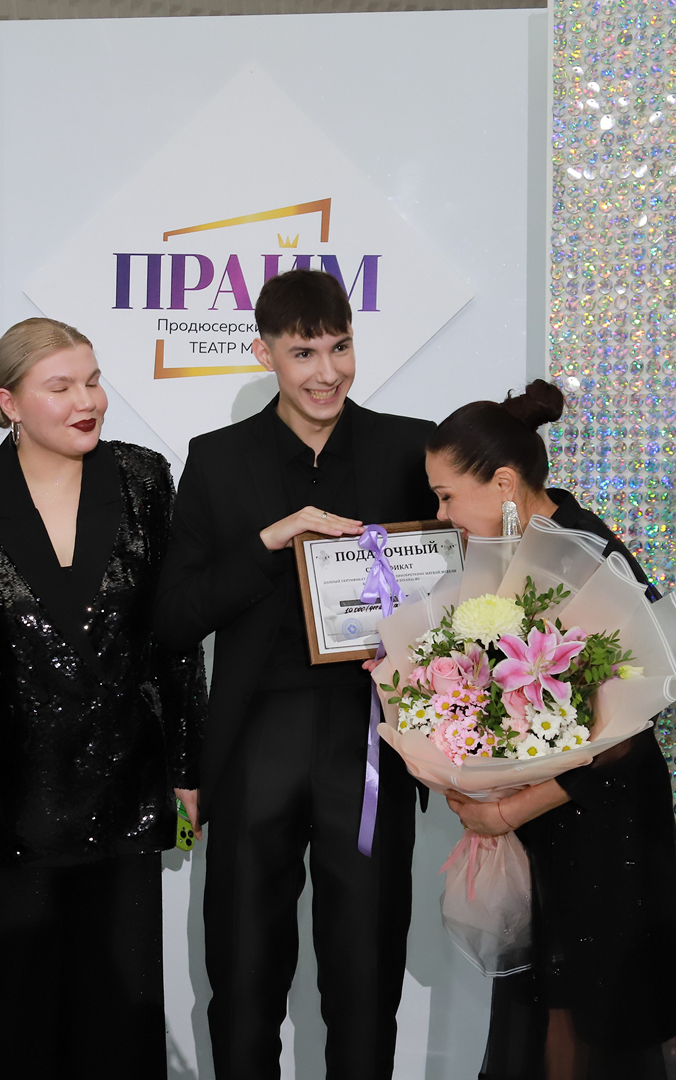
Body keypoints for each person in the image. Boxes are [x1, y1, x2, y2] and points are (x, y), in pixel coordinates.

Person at [153, 269, 436, 1080]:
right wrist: (267, 545)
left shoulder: (409, 449)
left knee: (366, 970)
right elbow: (173, 619)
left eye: (340, 347)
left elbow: (460, 581)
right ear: (264, 353)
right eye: (303, 352)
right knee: (243, 973)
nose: (327, 372)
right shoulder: (217, 461)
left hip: (371, 741)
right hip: (255, 740)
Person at [0, 316, 205, 1079]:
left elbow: (173, 638)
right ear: (9, 402)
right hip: (11, 793)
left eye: (92, 380)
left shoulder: (144, 477)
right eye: (61, 387)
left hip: (127, 782)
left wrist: (188, 768)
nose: (88, 401)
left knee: (118, 1012)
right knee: (13, 1012)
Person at [426, 383, 676, 1080]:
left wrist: (507, 810)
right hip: (552, 828)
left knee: (591, 1021)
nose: (441, 516)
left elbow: (624, 734)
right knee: (550, 1012)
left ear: (502, 484)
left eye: (445, 496)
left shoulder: (580, 555)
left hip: (603, 826)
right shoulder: (516, 547)